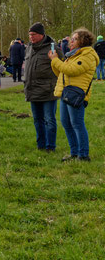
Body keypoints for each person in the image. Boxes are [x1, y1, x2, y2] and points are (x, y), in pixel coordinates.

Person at [49, 28, 99, 162]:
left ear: (83, 41)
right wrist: (55, 61)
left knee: (77, 124)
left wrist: (55, 60)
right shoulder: (73, 54)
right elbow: (61, 73)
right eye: (72, 38)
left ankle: (83, 155)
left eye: (75, 39)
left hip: (76, 94)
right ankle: (74, 153)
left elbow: (71, 70)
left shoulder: (87, 55)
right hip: (67, 92)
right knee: (66, 123)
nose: (71, 41)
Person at [24, 22, 63, 152]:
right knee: (37, 120)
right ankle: (41, 145)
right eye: (29, 35)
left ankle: (50, 147)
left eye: (33, 34)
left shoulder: (53, 49)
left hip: (47, 90)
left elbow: (61, 67)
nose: (31, 37)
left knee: (49, 120)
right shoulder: (29, 47)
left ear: (41, 35)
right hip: (33, 90)